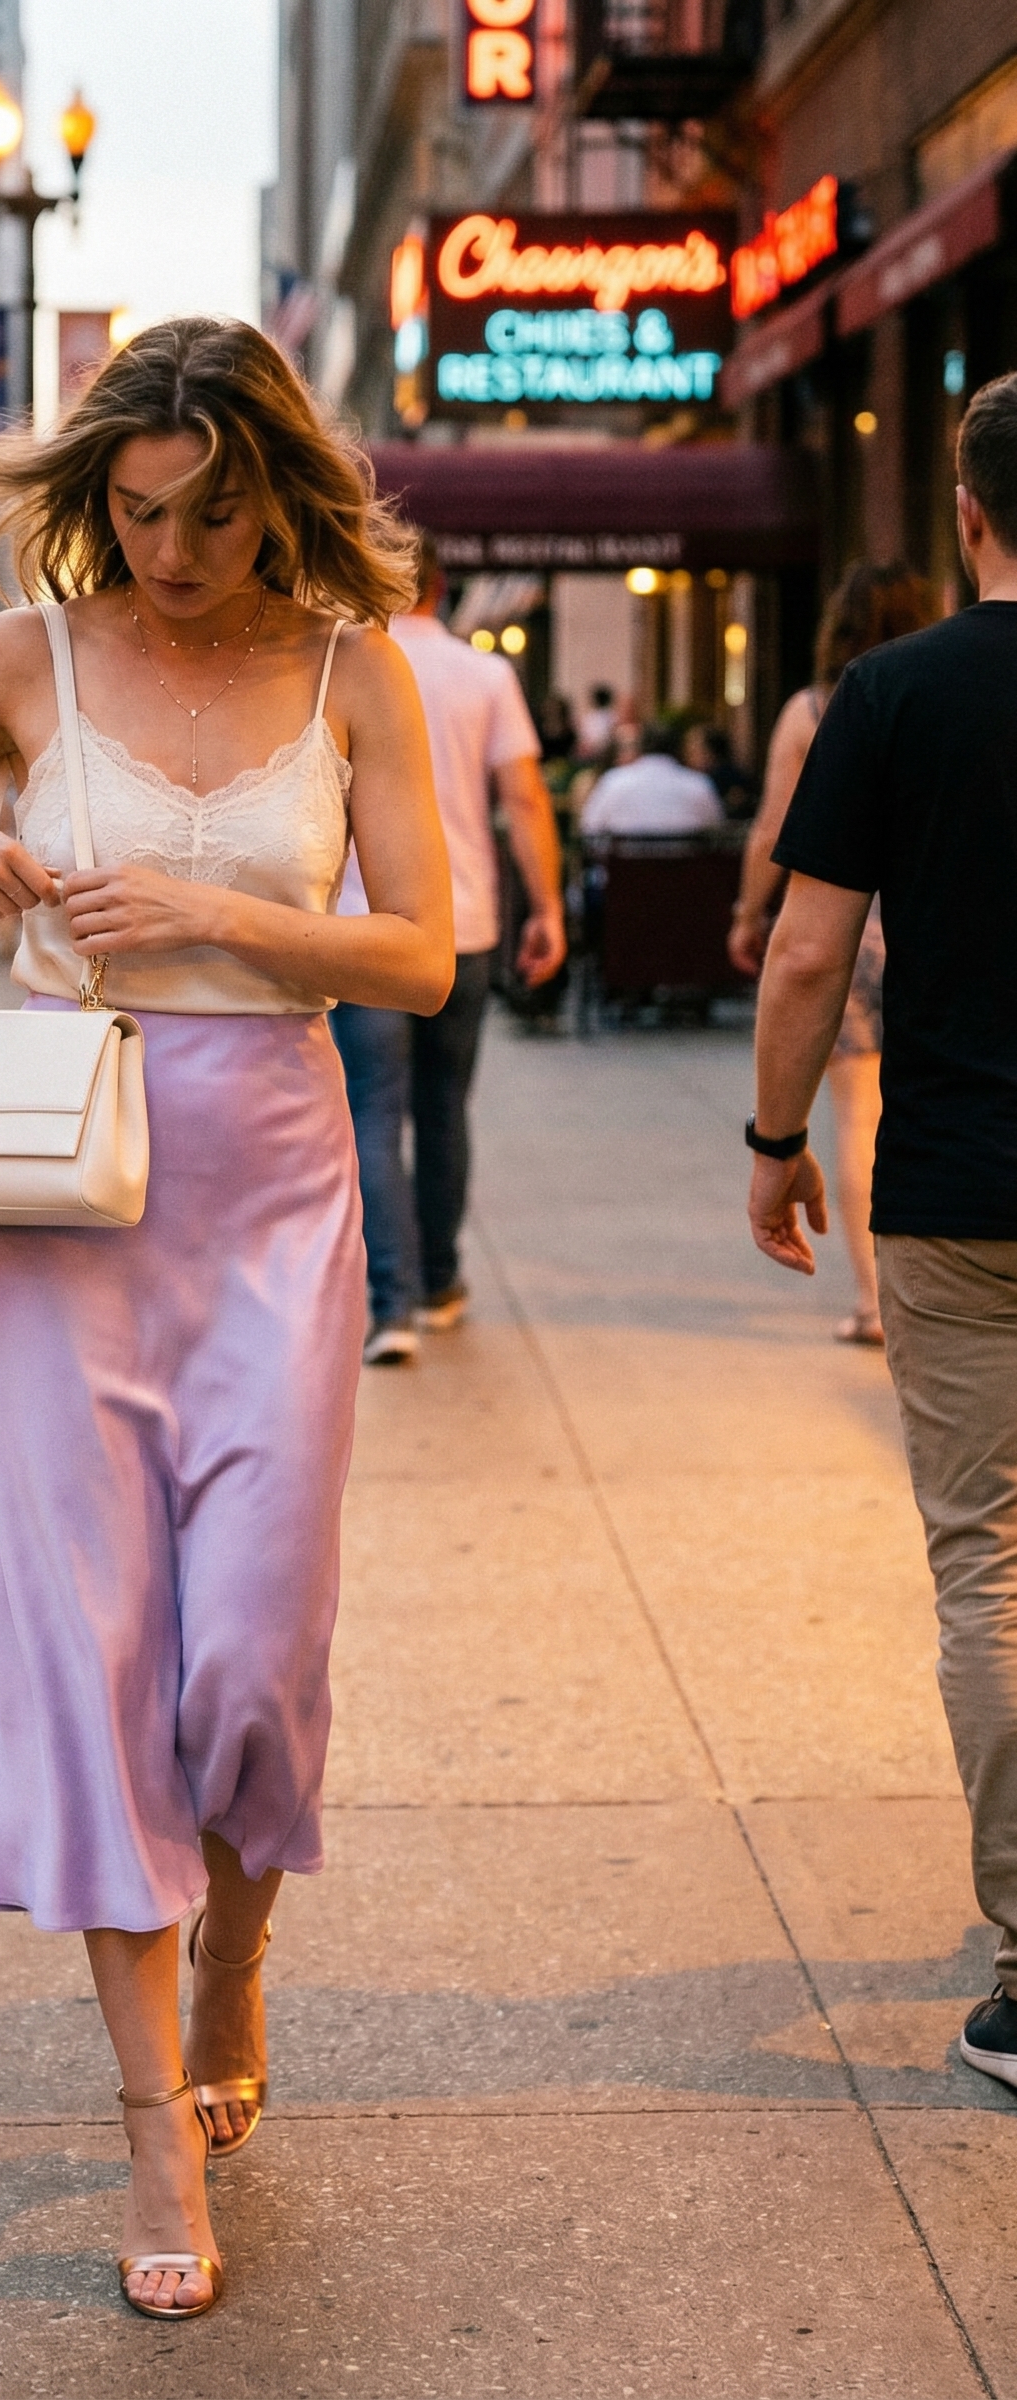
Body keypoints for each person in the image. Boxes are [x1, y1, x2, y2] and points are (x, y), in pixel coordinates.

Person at [0, 317, 454, 2320]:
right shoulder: (24, 656)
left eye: (213, 515)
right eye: (140, 514)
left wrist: (222, 918)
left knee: (251, 1649)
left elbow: (420, 955)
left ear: (281, 494)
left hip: (269, 1182)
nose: (170, 553)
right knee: (87, 1649)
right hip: (59, 1193)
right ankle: (149, 2107)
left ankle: (236, 1947)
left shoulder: (355, 673)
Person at [746, 372, 1017, 2100]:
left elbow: (798, 953)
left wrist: (776, 1144)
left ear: (965, 512)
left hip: (954, 1188)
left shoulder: (891, 694)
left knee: (987, 1564)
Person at [334, 529, 565, 1357]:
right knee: (443, 1110)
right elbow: (526, 799)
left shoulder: (342, 666)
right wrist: (547, 908)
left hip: (362, 932)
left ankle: (389, 1303)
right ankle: (439, 1281)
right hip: (463, 926)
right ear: (440, 586)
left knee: (372, 1112)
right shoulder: (485, 673)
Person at [729, 562, 938, 1342]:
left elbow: (773, 829)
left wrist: (749, 914)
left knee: (858, 1115)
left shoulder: (814, 709)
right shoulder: (941, 692)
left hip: (847, 930)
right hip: (924, 926)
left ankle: (875, 1302)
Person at [579, 720, 724, 834]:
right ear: (678, 749)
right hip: (684, 870)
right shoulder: (698, 784)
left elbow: (589, 828)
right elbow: (715, 829)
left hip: (624, 870)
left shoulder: (614, 780)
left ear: (641, 746)